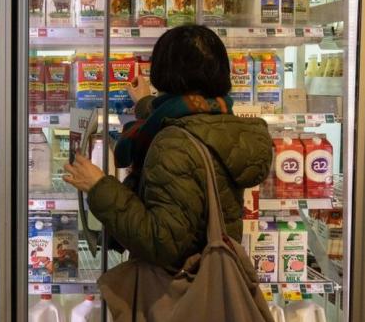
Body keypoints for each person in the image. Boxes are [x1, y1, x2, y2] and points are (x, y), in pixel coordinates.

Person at [63, 25, 273, 270]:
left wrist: (99, 186)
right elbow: (177, 116)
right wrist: (144, 103)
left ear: (163, 72)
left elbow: (162, 243)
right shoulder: (221, 119)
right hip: (209, 276)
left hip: (176, 293)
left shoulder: (174, 144)